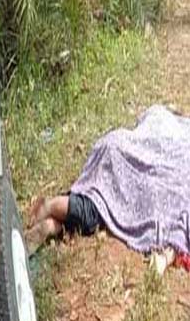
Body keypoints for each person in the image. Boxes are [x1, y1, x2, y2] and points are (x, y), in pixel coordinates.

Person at [24, 105, 190, 255]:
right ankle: (50, 206)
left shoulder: (166, 121)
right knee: (97, 209)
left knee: (98, 207)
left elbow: (152, 116)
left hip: (119, 146)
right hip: (123, 161)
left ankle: (53, 225)